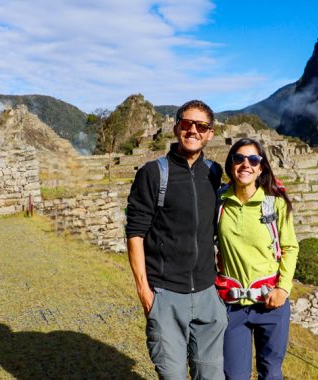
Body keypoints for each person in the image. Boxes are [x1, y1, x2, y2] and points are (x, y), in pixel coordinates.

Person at [126, 100, 227, 380]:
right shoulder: (153, 173)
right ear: (176, 128)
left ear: (210, 134)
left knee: (211, 376)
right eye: (187, 124)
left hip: (208, 293)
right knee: (172, 375)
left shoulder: (214, 172)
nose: (193, 130)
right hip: (166, 293)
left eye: (201, 126)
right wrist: (145, 292)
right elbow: (135, 233)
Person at [216, 138, 299, 380]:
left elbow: (290, 247)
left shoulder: (274, 203)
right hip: (232, 305)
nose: (246, 165)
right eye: (239, 159)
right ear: (231, 164)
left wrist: (283, 289)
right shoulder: (220, 202)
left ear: (261, 167)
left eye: (253, 160)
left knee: (271, 373)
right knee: (234, 375)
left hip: (270, 303)